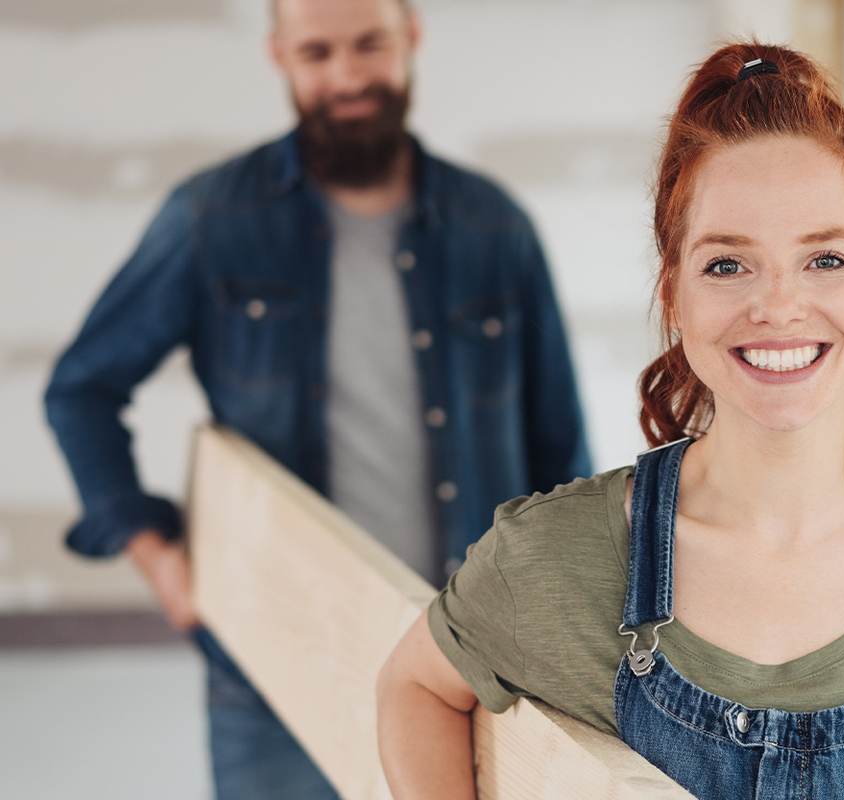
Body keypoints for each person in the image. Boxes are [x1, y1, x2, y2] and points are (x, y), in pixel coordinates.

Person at [376, 42, 844, 800]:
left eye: (826, 259)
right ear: (675, 299)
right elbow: (416, 687)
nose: (777, 306)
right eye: (727, 265)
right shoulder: (549, 557)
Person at [44, 0, 590, 797]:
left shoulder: (494, 227)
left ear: (413, 38)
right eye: (317, 52)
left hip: (467, 660)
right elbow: (82, 388)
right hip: (272, 650)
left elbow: (559, 449)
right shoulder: (211, 219)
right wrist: (154, 554)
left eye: (370, 44)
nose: (347, 76)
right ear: (279, 56)